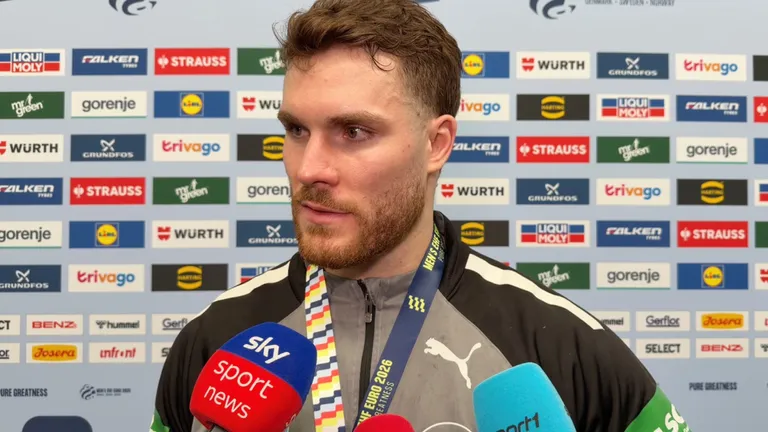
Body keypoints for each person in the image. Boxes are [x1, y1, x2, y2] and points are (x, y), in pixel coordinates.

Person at [151, 0, 689, 431]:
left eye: (353, 132)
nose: (309, 168)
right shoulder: (216, 340)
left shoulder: (555, 345)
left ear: (437, 144)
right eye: (296, 130)